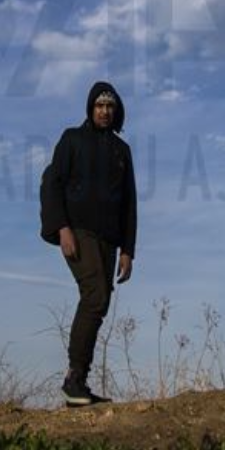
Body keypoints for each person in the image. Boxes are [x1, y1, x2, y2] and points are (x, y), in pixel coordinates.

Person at [42, 81, 137, 406]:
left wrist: (127, 250)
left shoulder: (122, 151)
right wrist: (61, 228)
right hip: (78, 230)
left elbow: (129, 204)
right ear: (90, 108)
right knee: (95, 294)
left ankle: (78, 386)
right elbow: (52, 183)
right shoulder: (72, 139)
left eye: (110, 106)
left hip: (110, 238)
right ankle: (73, 378)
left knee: (100, 301)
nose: (105, 111)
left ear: (116, 110)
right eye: (99, 105)